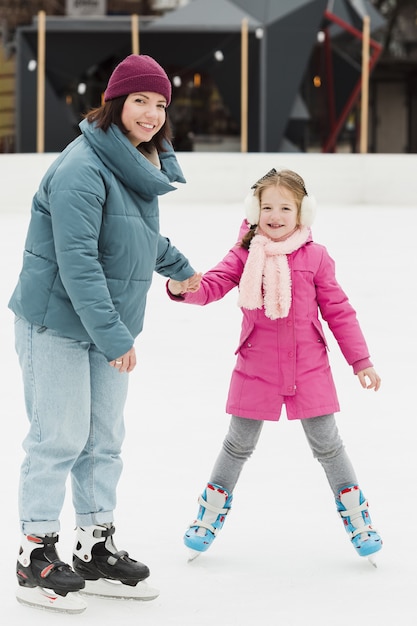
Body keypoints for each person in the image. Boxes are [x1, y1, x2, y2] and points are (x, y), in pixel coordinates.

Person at [9, 54, 200, 613]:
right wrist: (116, 337)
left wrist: (180, 266)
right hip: (57, 324)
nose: (151, 113)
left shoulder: (136, 163)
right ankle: (35, 552)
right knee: (58, 438)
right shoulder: (82, 169)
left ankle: (93, 547)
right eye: (140, 100)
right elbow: (79, 263)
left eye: (161, 104)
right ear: (115, 103)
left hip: (102, 324)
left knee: (103, 442)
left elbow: (133, 236)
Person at [167, 168, 382, 566]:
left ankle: (357, 517)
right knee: (237, 444)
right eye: (267, 207)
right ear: (254, 210)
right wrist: (185, 287)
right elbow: (212, 284)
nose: (276, 215)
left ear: (303, 212)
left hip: (308, 367)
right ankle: (209, 514)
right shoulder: (245, 253)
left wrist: (360, 360)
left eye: (286, 207)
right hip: (257, 365)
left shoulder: (316, 257)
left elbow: (338, 310)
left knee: (328, 444)